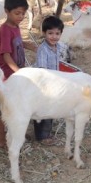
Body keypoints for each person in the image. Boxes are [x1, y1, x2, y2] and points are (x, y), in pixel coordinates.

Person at [0, 0, 37, 148]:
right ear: (7, 11)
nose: (21, 16)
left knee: (19, 105)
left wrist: (27, 45)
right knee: (6, 107)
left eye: (23, 13)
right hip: (8, 73)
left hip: (18, 72)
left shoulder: (15, 26)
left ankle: (16, 131)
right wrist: (18, 72)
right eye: (17, 13)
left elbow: (16, 43)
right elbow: (5, 55)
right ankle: (0, 137)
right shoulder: (5, 30)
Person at [33, 15, 64, 145]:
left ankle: (46, 133)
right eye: (50, 33)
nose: (54, 36)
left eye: (57, 33)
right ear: (44, 33)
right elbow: (42, 71)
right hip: (43, 84)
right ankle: (42, 136)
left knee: (50, 109)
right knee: (43, 111)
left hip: (54, 83)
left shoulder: (59, 47)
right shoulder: (43, 49)